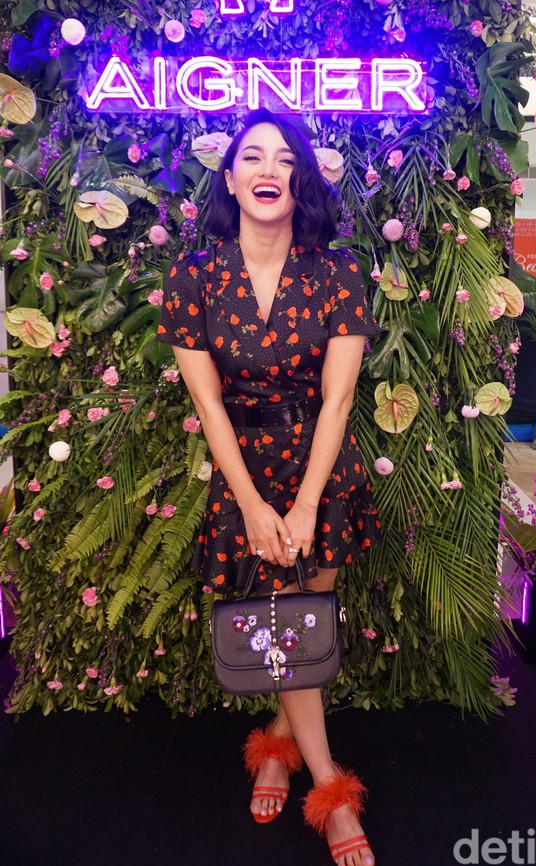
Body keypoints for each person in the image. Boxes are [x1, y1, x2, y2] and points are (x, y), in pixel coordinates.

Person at [156, 108, 380, 866]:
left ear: (299, 180)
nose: (268, 169)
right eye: (253, 156)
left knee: (305, 622)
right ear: (230, 178)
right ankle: (332, 789)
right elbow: (208, 403)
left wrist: (309, 500)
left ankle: (277, 750)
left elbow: (341, 399)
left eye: (285, 160)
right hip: (245, 470)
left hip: (321, 468)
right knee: (284, 626)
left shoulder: (338, 271)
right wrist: (252, 503)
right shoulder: (192, 274)